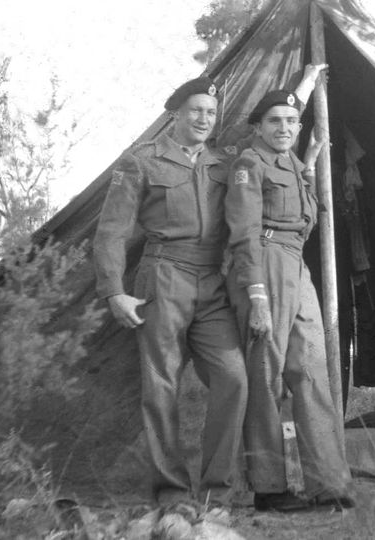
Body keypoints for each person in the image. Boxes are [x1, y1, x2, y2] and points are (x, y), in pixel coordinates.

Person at [93, 76, 247, 516]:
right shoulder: (141, 161)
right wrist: (114, 292)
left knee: (233, 377)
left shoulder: (223, 163)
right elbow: (112, 232)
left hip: (212, 281)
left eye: (211, 113)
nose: (204, 119)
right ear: (176, 114)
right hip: (163, 275)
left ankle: (217, 493)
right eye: (196, 110)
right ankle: (172, 493)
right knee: (161, 386)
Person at [224, 86, 354, 512]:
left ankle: (329, 484)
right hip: (264, 264)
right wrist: (257, 295)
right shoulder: (249, 163)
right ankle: (269, 487)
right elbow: (242, 232)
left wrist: (312, 159)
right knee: (266, 375)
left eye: (291, 121)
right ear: (258, 127)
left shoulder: (291, 163)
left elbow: (304, 212)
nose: (284, 127)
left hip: (297, 267)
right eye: (275, 121)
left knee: (311, 369)